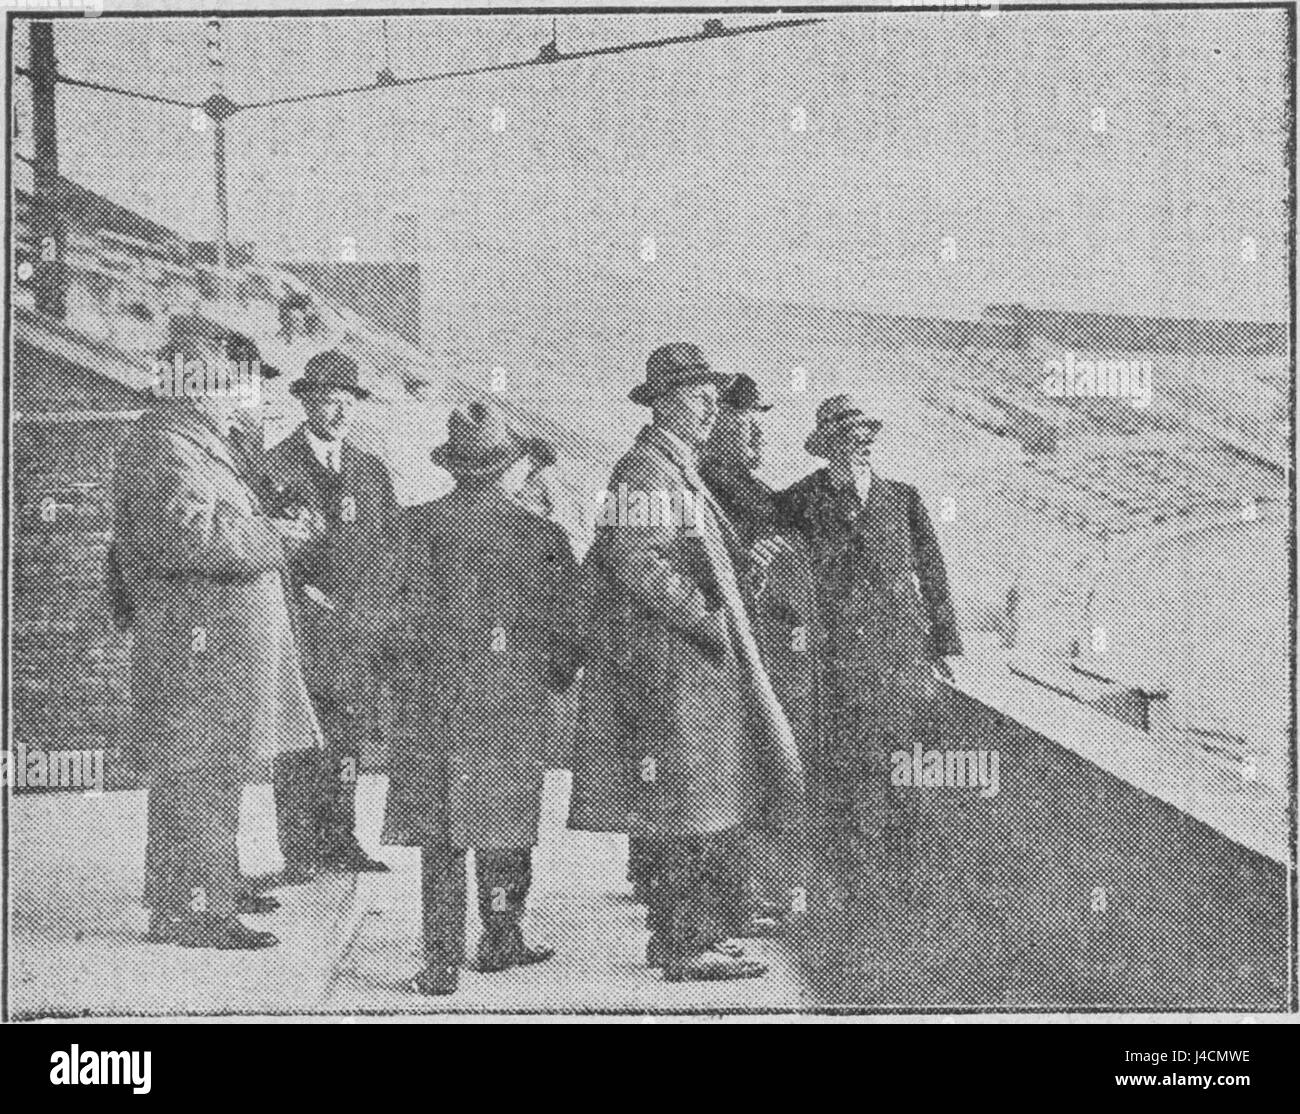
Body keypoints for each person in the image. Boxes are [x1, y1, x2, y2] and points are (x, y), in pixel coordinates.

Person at [569, 343, 803, 982]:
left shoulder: (673, 466)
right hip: (674, 668)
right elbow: (637, 562)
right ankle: (680, 946)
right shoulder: (644, 470)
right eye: (697, 397)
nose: (709, 409)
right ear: (664, 402)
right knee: (682, 804)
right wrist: (708, 617)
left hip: (691, 668)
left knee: (695, 801)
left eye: (710, 398)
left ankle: (693, 934)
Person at [111, 312, 322, 950]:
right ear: (192, 382)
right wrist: (277, 536)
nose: (233, 391)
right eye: (222, 381)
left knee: (208, 766)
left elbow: (214, 518)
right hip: (194, 641)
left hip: (209, 637)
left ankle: (209, 882)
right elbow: (192, 535)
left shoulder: (191, 438)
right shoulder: (166, 444)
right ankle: (194, 909)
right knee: (197, 769)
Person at [366, 401, 582, 996]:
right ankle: (500, 936)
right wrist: (554, 679)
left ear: (455, 468)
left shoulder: (412, 526)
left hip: (431, 701)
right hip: (510, 701)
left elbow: (388, 620)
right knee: (503, 823)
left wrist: (404, 682)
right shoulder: (542, 535)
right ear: (507, 467)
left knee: (439, 832)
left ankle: (439, 961)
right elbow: (570, 629)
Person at [775, 395, 963, 988]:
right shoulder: (802, 500)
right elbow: (759, 539)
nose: (858, 442)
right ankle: (856, 929)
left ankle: (902, 928)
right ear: (825, 443)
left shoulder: (901, 499)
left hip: (901, 673)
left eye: (865, 433)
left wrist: (941, 651)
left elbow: (932, 576)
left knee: (907, 796)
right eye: (846, 434)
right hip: (836, 678)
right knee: (850, 802)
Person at [260, 351, 397, 881]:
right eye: (329, 404)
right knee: (299, 742)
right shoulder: (276, 467)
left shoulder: (369, 470)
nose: (339, 415)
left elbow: (390, 549)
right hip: (301, 633)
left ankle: (341, 840)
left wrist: (377, 611)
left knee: (346, 743)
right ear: (307, 403)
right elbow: (269, 550)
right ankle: (300, 853)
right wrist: (308, 595)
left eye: (347, 405)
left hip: (356, 634)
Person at [698, 374, 820, 934]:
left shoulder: (742, 488)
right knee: (748, 777)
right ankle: (735, 903)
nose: (758, 434)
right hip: (736, 654)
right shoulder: (710, 487)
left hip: (759, 651)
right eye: (747, 421)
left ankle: (739, 898)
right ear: (718, 420)